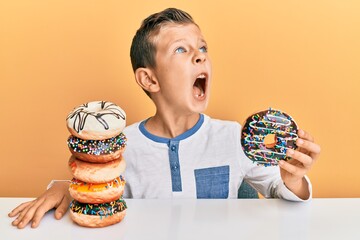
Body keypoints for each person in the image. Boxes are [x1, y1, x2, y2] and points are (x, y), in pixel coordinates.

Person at [8, 8, 321, 228]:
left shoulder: (233, 137)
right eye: (181, 50)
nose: (200, 55)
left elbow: (282, 196)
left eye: (202, 48)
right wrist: (64, 188)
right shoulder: (120, 147)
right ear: (150, 80)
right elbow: (96, 193)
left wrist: (293, 179)